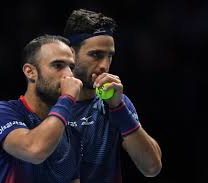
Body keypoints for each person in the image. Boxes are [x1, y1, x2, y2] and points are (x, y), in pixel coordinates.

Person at [63, 9, 162, 183]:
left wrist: (118, 108)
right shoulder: (47, 103)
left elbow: (152, 168)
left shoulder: (116, 103)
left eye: (109, 56)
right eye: (96, 54)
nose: (104, 65)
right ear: (70, 53)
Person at [0, 35, 83, 183]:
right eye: (58, 65)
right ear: (30, 72)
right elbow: (34, 150)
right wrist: (68, 98)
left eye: (71, 67)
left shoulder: (71, 132)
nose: (69, 75)